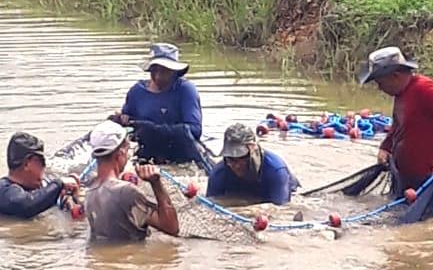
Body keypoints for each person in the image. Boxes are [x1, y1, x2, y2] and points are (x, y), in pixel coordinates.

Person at [359, 46, 433, 196]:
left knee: (425, 219)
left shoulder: (425, 90)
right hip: (403, 176)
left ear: (395, 76)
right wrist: (385, 147)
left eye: (381, 83)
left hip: (427, 179)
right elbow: (398, 124)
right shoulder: (400, 93)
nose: (380, 88)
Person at [111, 43, 210, 171]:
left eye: (164, 71)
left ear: (174, 72)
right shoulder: (137, 92)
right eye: (154, 70)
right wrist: (122, 120)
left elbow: (195, 130)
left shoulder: (185, 90)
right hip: (147, 152)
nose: (158, 76)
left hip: (180, 151)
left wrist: (155, 129)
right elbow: (127, 126)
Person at [84, 120, 180, 243]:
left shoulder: (89, 191)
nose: (129, 156)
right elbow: (171, 227)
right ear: (120, 153)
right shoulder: (126, 192)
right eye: (128, 149)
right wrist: (156, 183)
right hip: (128, 259)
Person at [0, 132, 80, 219]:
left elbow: (41, 197)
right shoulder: (4, 192)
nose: (44, 167)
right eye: (41, 162)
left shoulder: (32, 187)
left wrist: (66, 198)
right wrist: (59, 184)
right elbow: (27, 205)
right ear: (27, 164)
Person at [206, 123, 300, 206]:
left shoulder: (276, 171)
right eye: (230, 158)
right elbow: (209, 205)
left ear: (253, 150)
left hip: (285, 191)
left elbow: (282, 209)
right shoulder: (218, 173)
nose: (236, 165)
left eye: (241, 157)